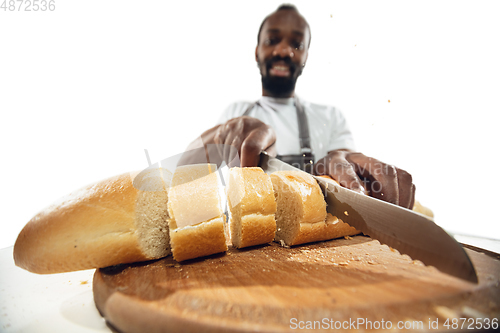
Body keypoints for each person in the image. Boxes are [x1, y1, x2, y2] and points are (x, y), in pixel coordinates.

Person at [183, 4, 415, 209]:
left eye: (296, 44)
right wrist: (220, 136)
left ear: (305, 57)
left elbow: (344, 161)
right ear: (256, 52)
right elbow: (182, 177)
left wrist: (352, 169)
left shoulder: (330, 117)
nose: (283, 51)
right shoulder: (235, 113)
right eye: (272, 40)